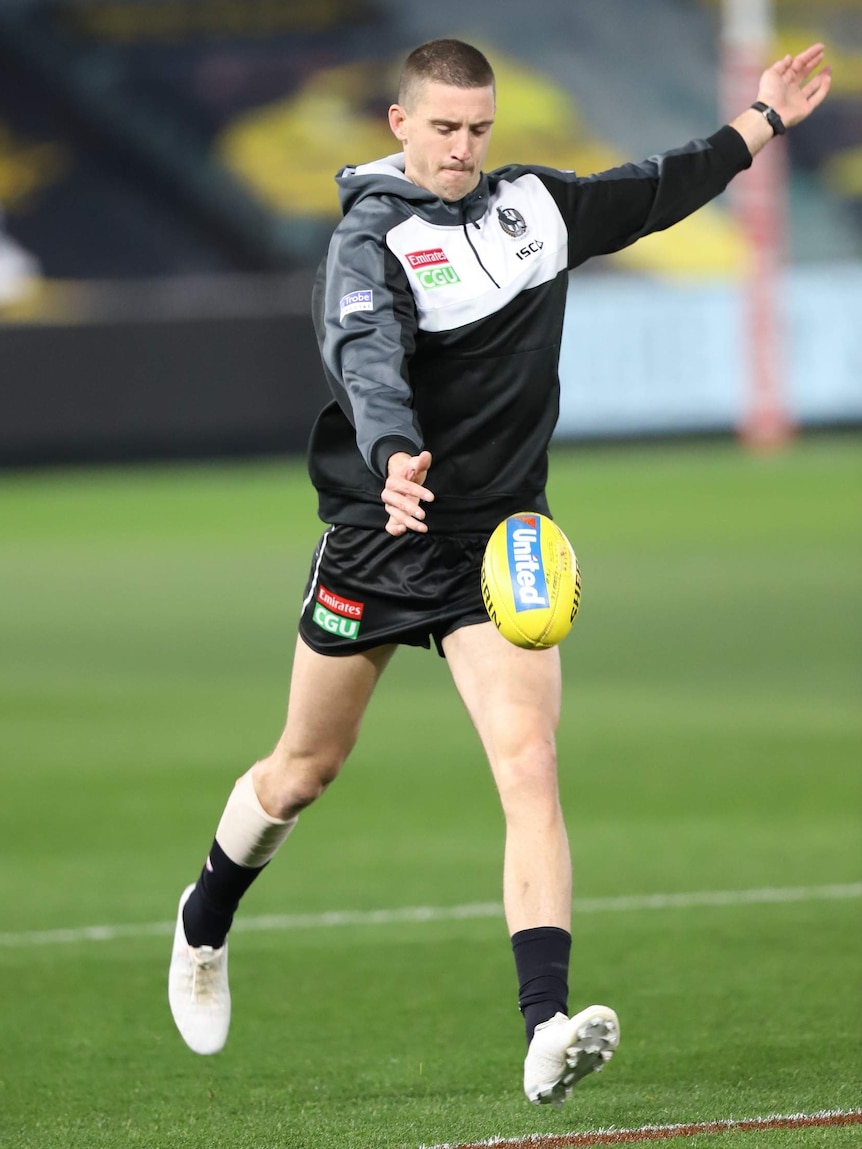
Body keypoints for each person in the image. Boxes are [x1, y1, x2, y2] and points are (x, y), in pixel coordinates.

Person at [168, 38, 831, 1105]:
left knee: (529, 766)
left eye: (477, 129)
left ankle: (545, 1024)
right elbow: (365, 359)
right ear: (399, 125)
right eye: (442, 128)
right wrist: (391, 460)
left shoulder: (533, 208)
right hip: (385, 533)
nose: (462, 148)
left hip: (501, 544)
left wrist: (761, 121)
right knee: (302, 770)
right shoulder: (367, 242)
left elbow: (652, 192)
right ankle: (202, 924)